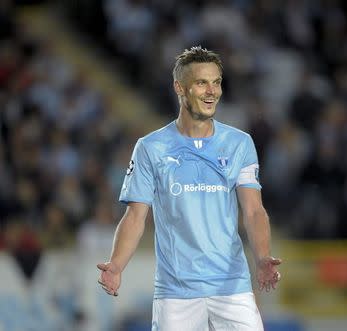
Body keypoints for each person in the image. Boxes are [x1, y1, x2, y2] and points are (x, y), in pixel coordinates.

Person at [97, 46, 282, 330]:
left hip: (232, 285)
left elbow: (254, 210)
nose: (212, 91)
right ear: (179, 87)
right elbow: (135, 216)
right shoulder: (151, 148)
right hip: (176, 291)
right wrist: (117, 265)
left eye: (217, 82)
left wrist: (262, 256)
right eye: (201, 82)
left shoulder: (240, 143)